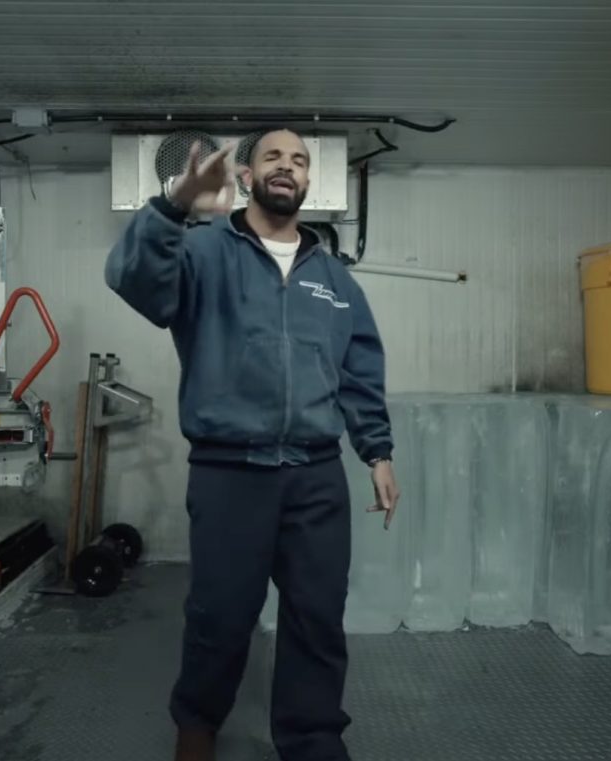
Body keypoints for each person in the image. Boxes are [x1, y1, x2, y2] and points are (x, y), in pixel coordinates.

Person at [105, 128, 399, 761]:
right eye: (273, 157)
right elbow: (131, 279)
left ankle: (313, 739)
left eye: (299, 160)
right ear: (246, 175)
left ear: (309, 181)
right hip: (230, 472)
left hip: (316, 476)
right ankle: (197, 726)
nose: (287, 167)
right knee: (220, 616)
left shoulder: (334, 280)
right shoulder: (203, 251)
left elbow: (360, 372)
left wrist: (377, 452)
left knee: (317, 617)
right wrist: (174, 206)